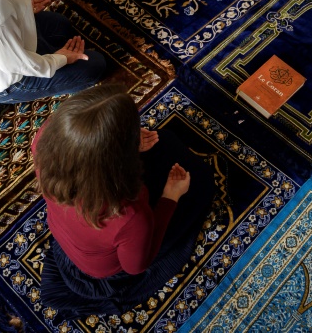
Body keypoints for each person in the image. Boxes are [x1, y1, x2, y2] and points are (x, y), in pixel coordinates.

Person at [33, 84, 216, 317]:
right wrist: (171, 196)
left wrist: (130, 145)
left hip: (69, 233)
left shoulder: (42, 139)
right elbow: (136, 267)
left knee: (165, 142)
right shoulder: (128, 214)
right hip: (104, 268)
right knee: (201, 182)